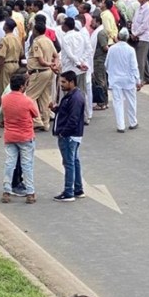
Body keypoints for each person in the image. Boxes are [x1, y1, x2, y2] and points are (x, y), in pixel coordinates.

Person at [0, 73, 38, 203]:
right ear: (22, 86)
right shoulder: (27, 100)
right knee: (27, 165)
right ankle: (30, 193)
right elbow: (35, 114)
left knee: (10, 163)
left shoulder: (5, 99)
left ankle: (6, 190)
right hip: (26, 136)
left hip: (10, 135)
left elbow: (2, 113)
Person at [52, 71, 86, 202]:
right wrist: (56, 109)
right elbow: (65, 112)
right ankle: (78, 189)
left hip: (69, 136)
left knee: (69, 163)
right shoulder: (71, 96)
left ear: (72, 82)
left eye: (64, 82)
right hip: (72, 135)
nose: (61, 85)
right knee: (74, 161)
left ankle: (68, 191)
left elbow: (73, 119)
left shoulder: (75, 98)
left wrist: (63, 133)